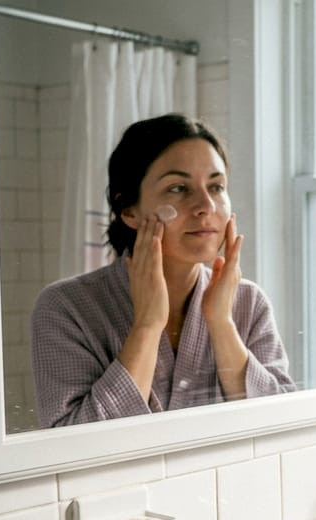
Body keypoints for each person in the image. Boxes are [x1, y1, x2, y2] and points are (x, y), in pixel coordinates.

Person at [32, 113, 295, 428]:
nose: (206, 206)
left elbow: (281, 430)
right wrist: (146, 325)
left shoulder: (249, 303)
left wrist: (222, 324)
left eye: (216, 186)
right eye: (178, 188)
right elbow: (72, 447)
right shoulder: (66, 307)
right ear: (129, 209)